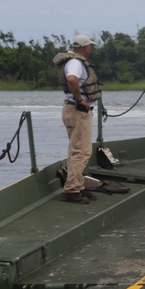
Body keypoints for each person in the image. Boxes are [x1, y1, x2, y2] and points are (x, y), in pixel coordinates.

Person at [57, 34, 101, 204]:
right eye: (89, 46)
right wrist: (80, 100)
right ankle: (71, 190)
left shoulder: (73, 61)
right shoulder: (75, 63)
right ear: (84, 47)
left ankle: (78, 185)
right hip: (77, 110)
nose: (90, 49)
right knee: (82, 151)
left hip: (74, 110)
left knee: (76, 149)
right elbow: (72, 79)